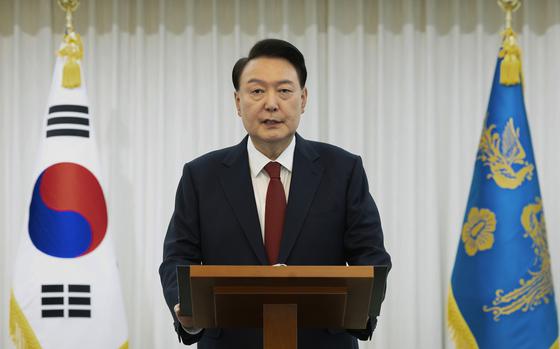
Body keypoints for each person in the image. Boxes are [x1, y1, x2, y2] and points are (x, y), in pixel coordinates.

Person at [159, 38, 391, 349]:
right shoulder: (201, 176)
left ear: (303, 98)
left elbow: (370, 255)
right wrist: (184, 310)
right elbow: (178, 257)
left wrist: (361, 311)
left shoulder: (343, 170)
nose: (271, 103)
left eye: (284, 91)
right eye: (257, 91)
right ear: (238, 102)